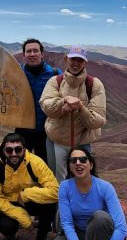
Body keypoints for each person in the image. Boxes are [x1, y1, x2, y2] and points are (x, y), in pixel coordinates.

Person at [43, 147, 127, 240]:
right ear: (69, 166)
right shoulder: (65, 187)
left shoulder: (105, 187)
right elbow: (67, 225)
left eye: (83, 159)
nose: (78, 163)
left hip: (101, 234)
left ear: (91, 165)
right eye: (73, 160)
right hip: (76, 235)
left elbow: (121, 228)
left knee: (100, 218)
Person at [0, 132, 58, 240]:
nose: (14, 154)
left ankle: (42, 236)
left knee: (50, 204)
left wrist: (26, 195)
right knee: (7, 226)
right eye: (9, 150)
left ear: (24, 149)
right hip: (9, 202)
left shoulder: (36, 162)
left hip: (31, 199)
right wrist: (21, 216)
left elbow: (55, 191)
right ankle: (11, 231)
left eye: (18, 150)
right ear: (3, 150)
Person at [40, 45, 106, 181]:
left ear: (85, 62)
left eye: (80, 60)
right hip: (57, 141)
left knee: (82, 180)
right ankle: (60, 203)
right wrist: (63, 102)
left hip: (82, 143)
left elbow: (98, 121)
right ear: (66, 59)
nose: (75, 63)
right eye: (72, 59)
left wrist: (81, 107)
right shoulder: (55, 82)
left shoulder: (94, 85)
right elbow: (46, 106)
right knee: (58, 180)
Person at [15, 38, 61, 159]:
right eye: (28, 51)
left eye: (35, 51)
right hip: (22, 130)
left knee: (47, 169)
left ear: (42, 54)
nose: (32, 54)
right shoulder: (16, 73)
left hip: (47, 132)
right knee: (20, 166)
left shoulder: (55, 74)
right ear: (24, 54)